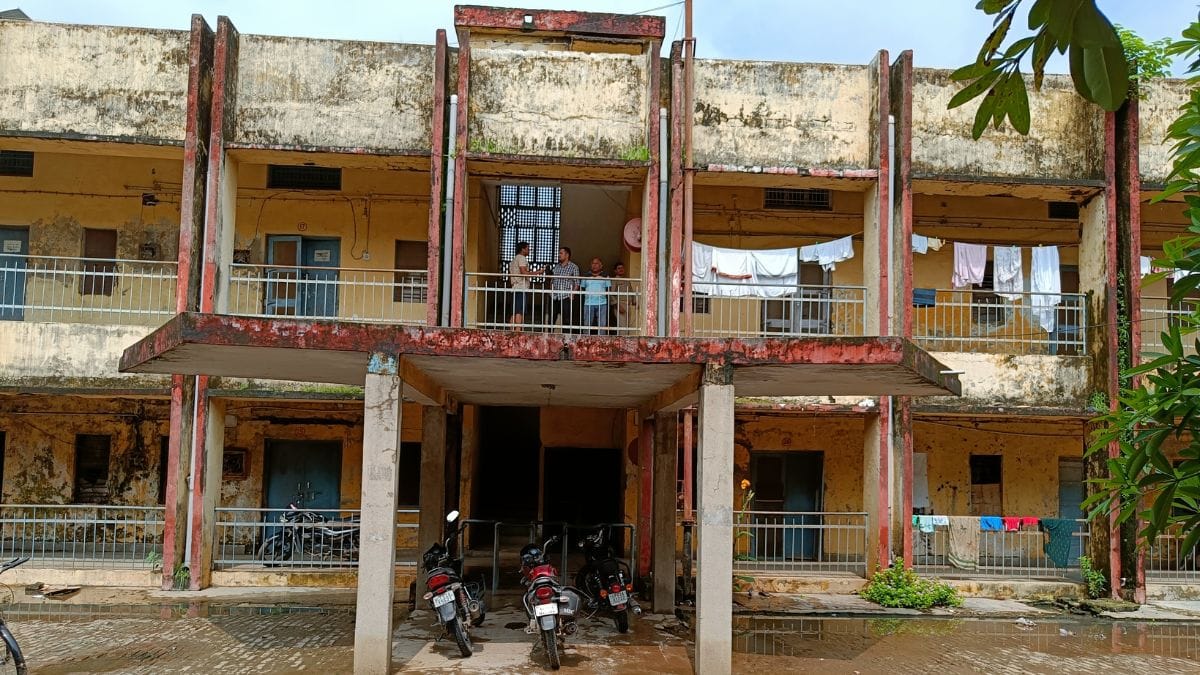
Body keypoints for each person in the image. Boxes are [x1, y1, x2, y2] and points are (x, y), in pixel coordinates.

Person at [546, 246, 580, 332]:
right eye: (559, 253)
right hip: (554, 296)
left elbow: (577, 282)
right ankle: (550, 338)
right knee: (551, 319)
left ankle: (566, 340)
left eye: (561, 253)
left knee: (566, 319)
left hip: (565, 296)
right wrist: (551, 291)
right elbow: (552, 280)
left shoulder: (573, 267)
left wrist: (572, 294)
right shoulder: (557, 266)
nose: (559, 255)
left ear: (567, 255)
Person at [581, 257, 611, 335]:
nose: (594, 265)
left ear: (601, 265)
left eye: (596, 263)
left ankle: (602, 341)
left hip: (602, 302)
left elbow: (608, 289)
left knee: (602, 324)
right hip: (588, 302)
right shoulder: (586, 275)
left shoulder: (605, 275)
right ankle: (585, 340)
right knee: (587, 323)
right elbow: (582, 288)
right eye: (593, 263)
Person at [508, 241, 534, 330]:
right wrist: (538, 272)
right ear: (523, 249)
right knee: (519, 311)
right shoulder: (522, 258)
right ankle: (518, 332)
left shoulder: (514, 259)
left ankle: (511, 332)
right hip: (520, 287)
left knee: (514, 312)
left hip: (515, 287)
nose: (529, 250)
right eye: (527, 248)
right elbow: (523, 272)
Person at [609, 261, 636, 332]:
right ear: (615, 271)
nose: (621, 269)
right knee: (622, 327)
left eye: (622, 268)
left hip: (628, 305)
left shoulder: (627, 280)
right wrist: (617, 306)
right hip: (620, 305)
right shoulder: (614, 280)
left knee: (628, 327)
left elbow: (631, 292)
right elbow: (611, 294)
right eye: (619, 268)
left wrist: (634, 302)